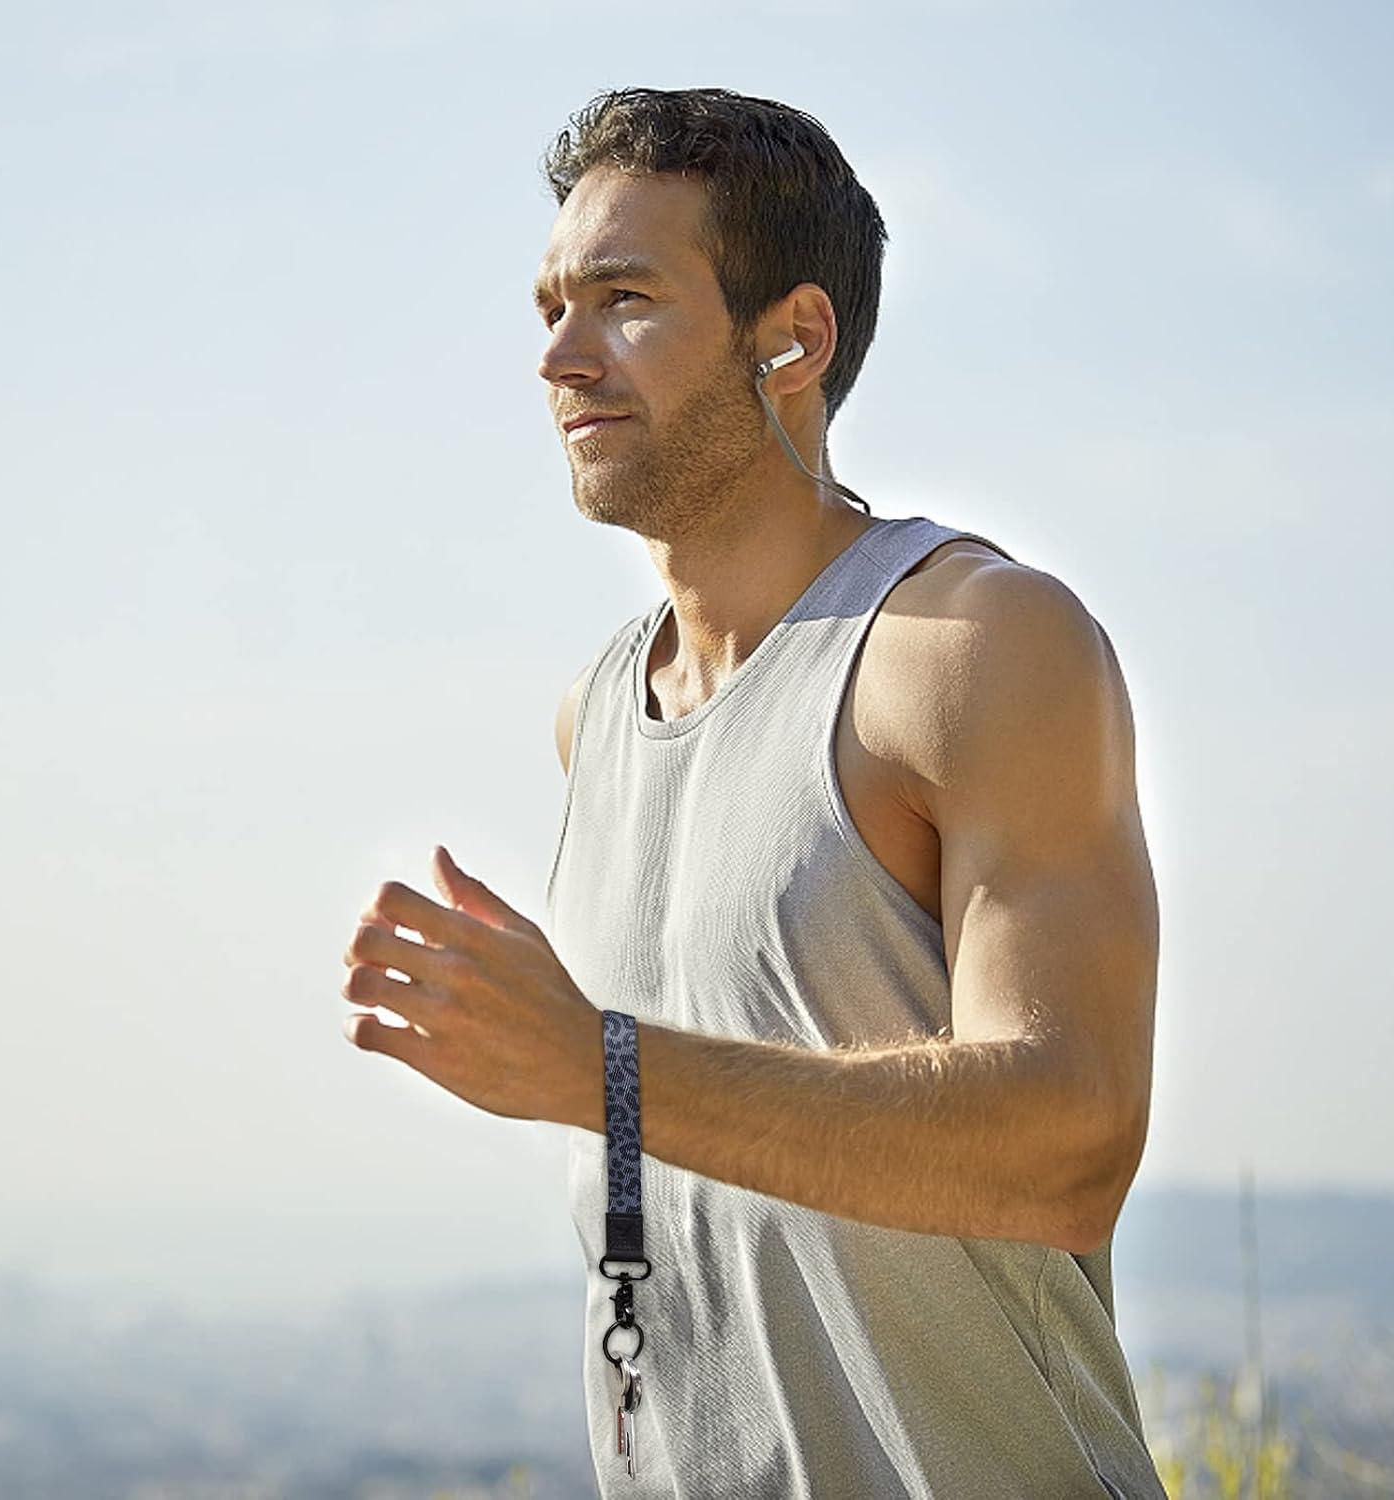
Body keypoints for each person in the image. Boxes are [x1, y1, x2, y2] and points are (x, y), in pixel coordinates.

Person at [342, 85, 1166, 1498]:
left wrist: (599, 1072)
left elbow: (1070, 1145)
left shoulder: (970, 647)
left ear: (792, 337)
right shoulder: (593, 717)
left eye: (623, 299)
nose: (558, 355)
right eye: (549, 304)